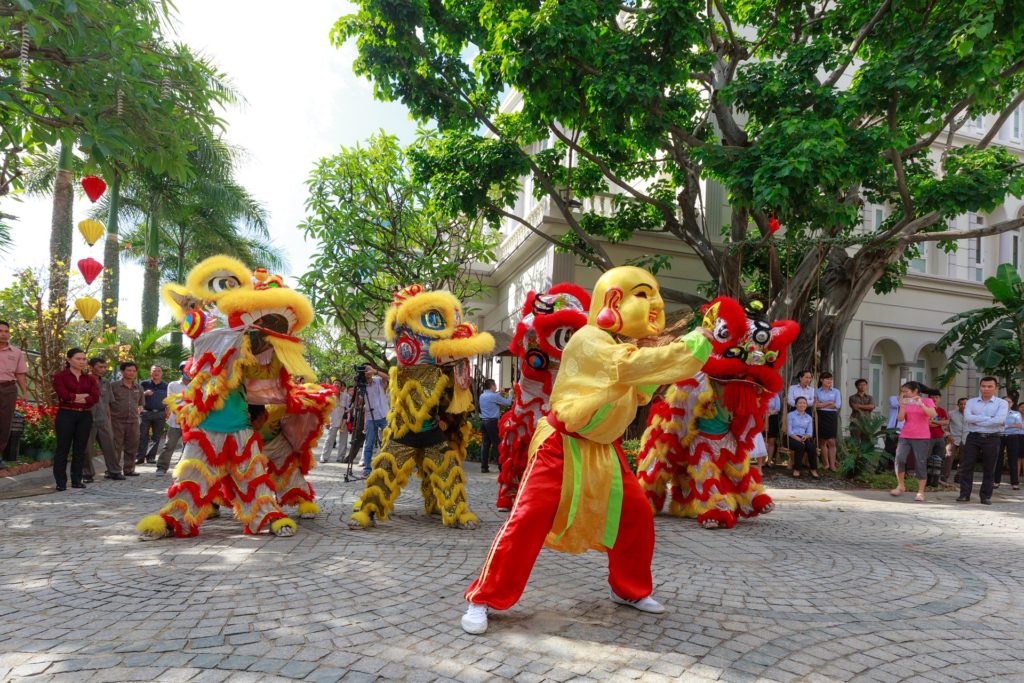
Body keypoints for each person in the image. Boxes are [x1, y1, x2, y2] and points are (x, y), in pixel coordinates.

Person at [461, 266, 713, 635]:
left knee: (637, 514)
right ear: (613, 301)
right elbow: (629, 369)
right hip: (560, 445)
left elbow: (641, 382)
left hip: (604, 450)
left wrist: (678, 351)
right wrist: (696, 341)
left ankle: (629, 589)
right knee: (526, 521)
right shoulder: (590, 339)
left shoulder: (619, 345)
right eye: (643, 295)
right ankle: (482, 597)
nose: (654, 304)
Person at [51, 348, 99, 490]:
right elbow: (64, 395)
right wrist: (82, 396)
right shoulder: (60, 376)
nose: (82, 362)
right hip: (66, 414)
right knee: (62, 448)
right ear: (69, 360)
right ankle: (60, 482)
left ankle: (77, 480)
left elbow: (94, 398)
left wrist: (74, 397)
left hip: (85, 415)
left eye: (84, 359)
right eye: (78, 358)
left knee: (80, 449)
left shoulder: (90, 378)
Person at [958, 377, 1009, 505]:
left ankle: (985, 496)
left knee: (990, 467)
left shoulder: (1002, 403)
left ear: (995, 388)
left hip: (992, 438)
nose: (986, 389)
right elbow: (968, 418)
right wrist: (989, 418)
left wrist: (978, 419)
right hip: (973, 437)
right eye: (983, 386)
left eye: (989, 386)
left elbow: (999, 420)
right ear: (980, 387)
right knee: (966, 466)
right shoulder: (971, 402)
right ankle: (964, 494)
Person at [891, 381, 936, 502]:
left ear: (915, 391)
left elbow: (932, 414)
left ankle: (921, 492)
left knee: (920, 463)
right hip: (905, 435)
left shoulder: (927, 401)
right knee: (899, 459)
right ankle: (900, 486)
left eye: (906, 391)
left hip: (922, 436)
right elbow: (900, 418)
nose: (903, 394)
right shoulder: (905, 402)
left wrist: (921, 404)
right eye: (902, 391)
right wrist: (902, 406)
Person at [86, 357, 122, 481]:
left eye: (104, 367)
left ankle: (114, 471)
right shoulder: (83, 380)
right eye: (100, 367)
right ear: (91, 367)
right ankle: (87, 474)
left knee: (110, 446)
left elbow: (107, 403)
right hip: (87, 419)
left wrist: (109, 421)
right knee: (87, 449)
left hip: (103, 419)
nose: (103, 370)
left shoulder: (106, 382)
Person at [0, 320, 29, 459]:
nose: (3, 334)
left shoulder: (16, 352)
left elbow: (20, 373)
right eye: (0, 331)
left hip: (8, 389)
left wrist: (24, 392)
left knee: (5, 422)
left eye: (6, 331)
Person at [155, 361, 190, 474]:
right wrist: (179, 415)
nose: (188, 372)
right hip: (175, 421)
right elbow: (170, 402)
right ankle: (161, 467)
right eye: (186, 369)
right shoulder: (173, 385)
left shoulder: (197, 385)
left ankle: (183, 468)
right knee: (169, 445)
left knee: (189, 446)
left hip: (192, 421)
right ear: (181, 371)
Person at [110, 361, 144, 476]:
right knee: (116, 446)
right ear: (122, 371)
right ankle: (113, 471)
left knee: (132, 445)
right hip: (116, 421)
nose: (131, 373)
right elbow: (107, 404)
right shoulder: (113, 386)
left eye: (134, 371)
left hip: (133, 422)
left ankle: (129, 470)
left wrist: (139, 410)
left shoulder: (139, 387)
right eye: (129, 370)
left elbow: (140, 404)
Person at [360, 366, 389, 477]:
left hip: (383, 416)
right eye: (365, 371)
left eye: (368, 370)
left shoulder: (378, 380)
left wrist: (375, 371)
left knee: (388, 441)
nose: (367, 373)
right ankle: (367, 469)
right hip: (370, 418)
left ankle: (387, 466)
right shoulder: (362, 386)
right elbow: (359, 402)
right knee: (368, 445)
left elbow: (387, 377)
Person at [478, 379, 512, 473]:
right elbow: (508, 402)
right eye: (495, 385)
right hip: (492, 422)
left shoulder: (482, 396)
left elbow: (494, 398)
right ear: (492, 386)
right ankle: (501, 467)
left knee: (485, 444)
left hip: (483, 421)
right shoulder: (494, 396)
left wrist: (499, 393)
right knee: (497, 444)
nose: (496, 387)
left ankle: (484, 467)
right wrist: (511, 394)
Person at [137, 365, 168, 465]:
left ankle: (151, 457)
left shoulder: (166, 385)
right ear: (150, 372)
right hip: (145, 413)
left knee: (156, 437)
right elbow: (136, 396)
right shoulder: (144, 383)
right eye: (154, 371)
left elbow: (170, 400)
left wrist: (168, 412)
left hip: (160, 414)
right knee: (142, 435)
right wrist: (144, 393)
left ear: (161, 373)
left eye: (159, 371)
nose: (156, 373)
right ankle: (140, 457)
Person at [814, 372, 841, 472]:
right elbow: (815, 405)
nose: (829, 381)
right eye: (827, 379)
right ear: (821, 380)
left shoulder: (836, 391)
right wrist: (829, 403)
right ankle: (826, 464)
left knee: (832, 441)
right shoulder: (817, 391)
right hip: (820, 416)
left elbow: (837, 405)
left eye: (831, 379)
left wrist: (822, 404)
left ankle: (833, 465)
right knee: (822, 441)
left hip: (831, 416)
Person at [787, 397, 818, 479]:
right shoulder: (790, 415)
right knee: (800, 446)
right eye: (800, 403)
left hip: (804, 437)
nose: (802, 404)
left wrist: (805, 437)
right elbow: (789, 432)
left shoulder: (809, 417)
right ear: (796, 405)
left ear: (807, 405)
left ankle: (813, 469)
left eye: (804, 403)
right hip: (792, 437)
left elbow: (810, 433)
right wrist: (798, 439)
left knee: (812, 447)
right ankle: (797, 469)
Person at [321, 380, 351, 463]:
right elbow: (324, 409)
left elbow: (348, 408)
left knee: (343, 440)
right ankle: (324, 457)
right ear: (332, 385)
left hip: (343, 421)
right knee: (329, 439)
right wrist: (325, 421)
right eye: (335, 384)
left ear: (341, 387)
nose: (337, 385)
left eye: (339, 384)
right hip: (332, 420)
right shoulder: (328, 396)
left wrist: (347, 418)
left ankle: (340, 457)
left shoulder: (346, 396)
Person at [925, 389, 949, 488]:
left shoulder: (941, 410)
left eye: (936, 397)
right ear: (928, 398)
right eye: (932, 397)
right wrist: (939, 422)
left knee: (939, 459)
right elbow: (927, 422)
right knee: (926, 459)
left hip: (940, 437)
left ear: (939, 399)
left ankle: (936, 479)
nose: (934, 399)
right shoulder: (925, 409)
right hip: (927, 437)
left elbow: (946, 422)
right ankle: (925, 479)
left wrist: (934, 421)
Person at [996, 398, 1022, 490]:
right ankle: (996, 482)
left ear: (1012, 404)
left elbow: (1019, 425)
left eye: (1009, 402)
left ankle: (1014, 483)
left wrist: (1005, 426)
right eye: (1005, 401)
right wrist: (1011, 426)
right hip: (999, 437)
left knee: (1013, 459)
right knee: (998, 459)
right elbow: (995, 424)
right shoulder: (996, 413)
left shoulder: (1016, 414)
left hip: (1012, 437)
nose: (1007, 403)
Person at [943, 397, 967, 487]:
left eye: (965, 404)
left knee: (963, 459)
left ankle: (959, 477)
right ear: (958, 405)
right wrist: (948, 435)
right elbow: (945, 426)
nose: (963, 406)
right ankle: (944, 477)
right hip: (953, 439)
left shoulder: (972, 415)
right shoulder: (951, 414)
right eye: (961, 404)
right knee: (948, 457)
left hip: (966, 439)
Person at [848, 378, 875, 443]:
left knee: (866, 442)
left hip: (867, 422)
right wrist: (867, 407)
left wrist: (859, 406)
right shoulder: (852, 397)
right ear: (856, 386)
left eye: (864, 385)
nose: (863, 386)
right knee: (855, 441)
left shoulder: (870, 397)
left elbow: (872, 406)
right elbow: (855, 407)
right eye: (860, 385)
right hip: (855, 422)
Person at [765, 391, 781, 467]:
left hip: (772, 417)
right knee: (762, 439)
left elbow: (777, 408)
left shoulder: (775, 394)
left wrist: (769, 414)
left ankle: (769, 461)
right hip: (761, 417)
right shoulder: (760, 393)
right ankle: (761, 461)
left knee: (771, 440)